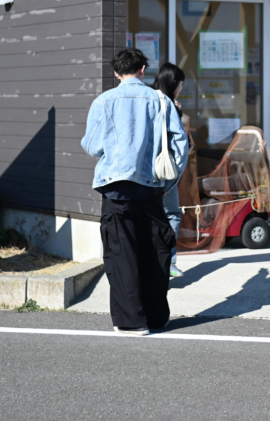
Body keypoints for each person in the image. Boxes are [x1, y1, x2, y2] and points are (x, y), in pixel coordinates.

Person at [81, 48, 188, 335]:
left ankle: (131, 321)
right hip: (152, 188)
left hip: (115, 189)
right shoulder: (161, 101)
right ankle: (156, 317)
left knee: (121, 253)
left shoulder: (103, 101)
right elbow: (180, 146)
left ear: (116, 73)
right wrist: (169, 183)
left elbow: (91, 146)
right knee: (156, 252)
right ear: (143, 69)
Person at [151, 63, 197, 278]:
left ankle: (153, 261)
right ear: (174, 83)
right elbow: (180, 144)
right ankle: (168, 261)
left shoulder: (147, 99)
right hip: (165, 171)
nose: (181, 89)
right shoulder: (169, 104)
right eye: (180, 84)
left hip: (143, 171)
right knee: (172, 215)